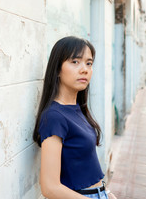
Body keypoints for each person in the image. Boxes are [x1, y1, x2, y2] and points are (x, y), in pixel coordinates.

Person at [32, 36, 116, 199]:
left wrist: (107, 193)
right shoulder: (54, 116)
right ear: (57, 69)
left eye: (89, 63)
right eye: (75, 62)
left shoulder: (78, 108)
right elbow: (49, 188)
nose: (84, 69)